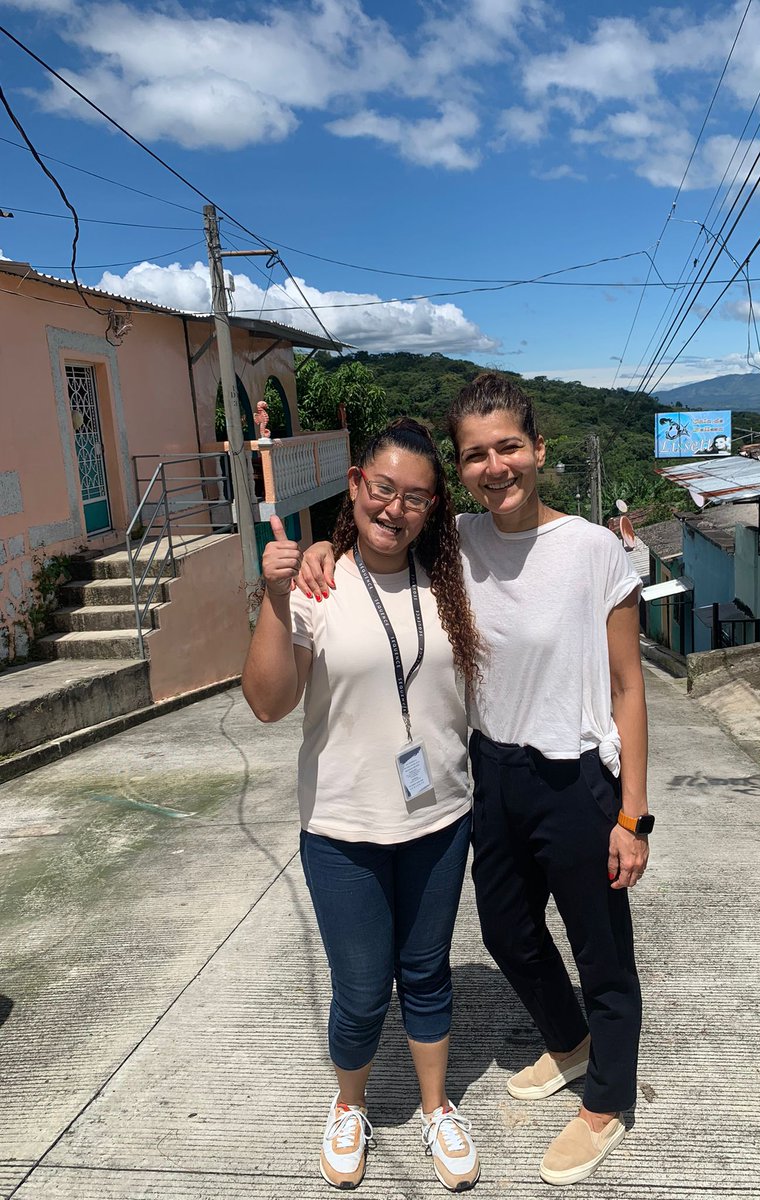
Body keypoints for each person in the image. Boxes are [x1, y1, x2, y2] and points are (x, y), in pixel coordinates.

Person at [299, 374, 651, 1188]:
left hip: (575, 778)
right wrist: (318, 550)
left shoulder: (594, 550)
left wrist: (633, 814)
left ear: (539, 449)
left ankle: (607, 1102)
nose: (496, 467)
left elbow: (629, 686)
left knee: (602, 952)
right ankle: (571, 1044)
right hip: (488, 771)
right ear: (459, 472)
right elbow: (375, 533)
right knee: (506, 933)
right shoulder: (453, 539)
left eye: (509, 447)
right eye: (476, 455)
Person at [242, 418, 482, 1193]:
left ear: (433, 508)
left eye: (416, 497)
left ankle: (437, 1108)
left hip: (440, 818)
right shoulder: (318, 586)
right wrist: (276, 596)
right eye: (383, 488)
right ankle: (349, 1106)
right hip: (342, 827)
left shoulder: (453, 580)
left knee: (428, 974)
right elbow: (268, 702)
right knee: (360, 988)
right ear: (355, 486)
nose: (395, 508)